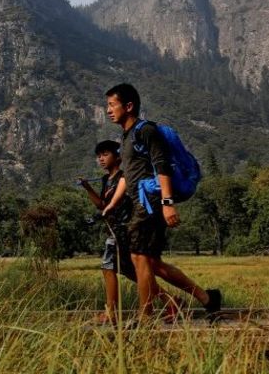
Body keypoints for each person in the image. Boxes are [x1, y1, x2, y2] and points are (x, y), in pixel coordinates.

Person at [105, 83, 222, 321]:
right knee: (152, 262)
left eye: (111, 105)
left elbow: (162, 166)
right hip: (140, 203)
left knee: (140, 257)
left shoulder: (146, 131)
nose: (108, 110)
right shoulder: (126, 136)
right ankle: (208, 299)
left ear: (129, 106)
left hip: (150, 203)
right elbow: (128, 175)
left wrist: (168, 203)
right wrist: (112, 204)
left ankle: (146, 316)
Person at [78, 140, 135, 323]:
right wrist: (88, 188)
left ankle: (111, 312)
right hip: (113, 230)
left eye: (105, 154)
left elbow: (114, 205)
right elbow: (102, 205)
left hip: (122, 230)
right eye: (99, 156)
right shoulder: (106, 180)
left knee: (107, 266)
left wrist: (102, 214)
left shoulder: (123, 178)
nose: (101, 159)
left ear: (118, 157)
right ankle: (171, 301)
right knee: (133, 273)